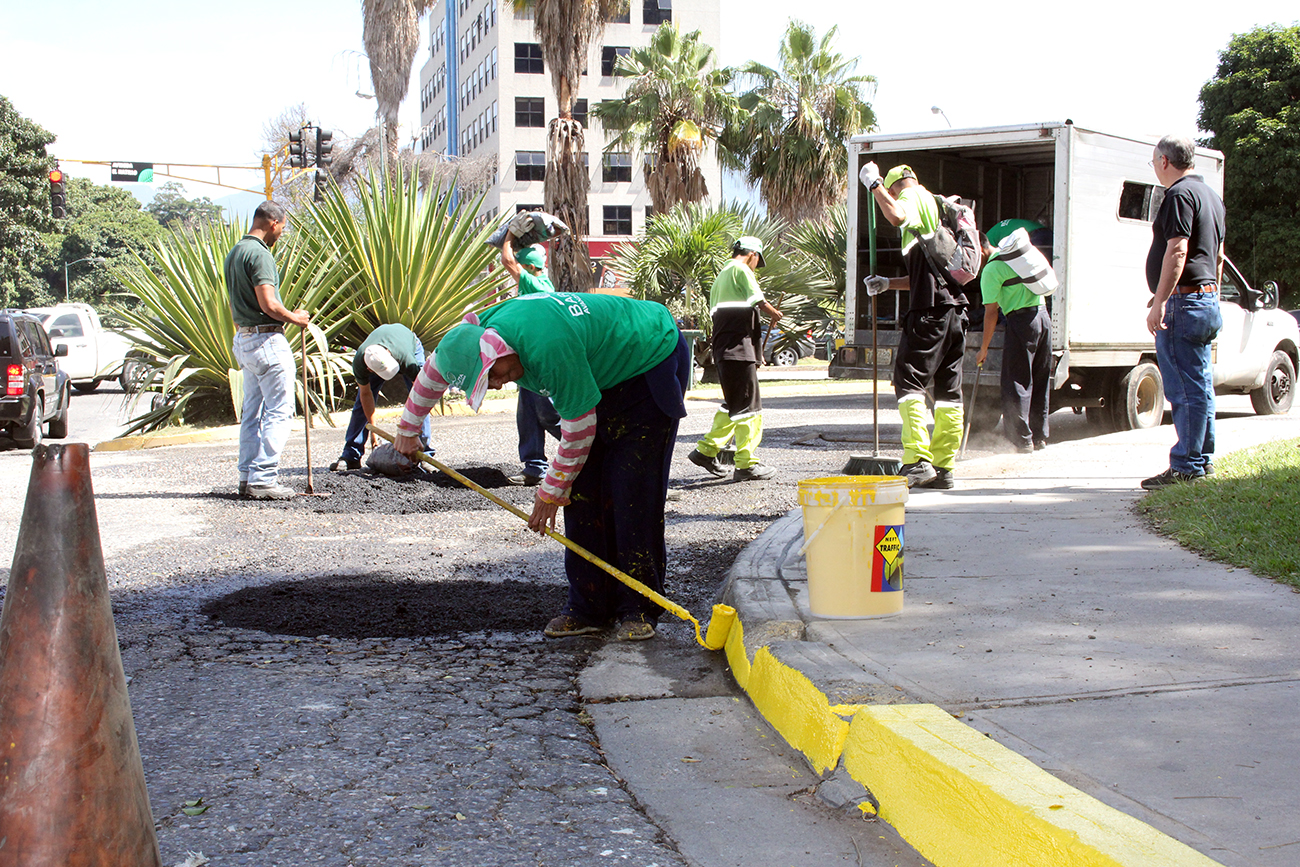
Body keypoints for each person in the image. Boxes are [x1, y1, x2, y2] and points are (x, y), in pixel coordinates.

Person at [393, 292, 690, 642]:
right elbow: (433, 373)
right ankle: (588, 607)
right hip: (597, 369)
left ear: (498, 351)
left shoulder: (548, 346)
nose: (500, 384)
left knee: (632, 494)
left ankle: (639, 607)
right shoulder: (470, 336)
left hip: (648, 356)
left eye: (495, 375)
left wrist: (549, 491)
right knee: (580, 497)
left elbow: (579, 429)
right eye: (488, 384)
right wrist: (407, 430)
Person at [859, 163, 967, 489]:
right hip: (954, 312)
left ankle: (918, 460)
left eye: (889, 192)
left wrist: (873, 184)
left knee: (908, 382)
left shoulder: (913, 196)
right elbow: (924, 278)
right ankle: (944, 467)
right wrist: (887, 283)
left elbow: (895, 216)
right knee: (948, 392)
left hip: (929, 314)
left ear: (895, 188)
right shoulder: (933, 215)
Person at [1141, 135, 1225, 490]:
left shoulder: (1178, 195)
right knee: (1200, 385)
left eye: (1154, 163)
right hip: (1205, 299)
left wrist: (1161, 300)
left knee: (1184, 390)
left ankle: (1187, 466)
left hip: (1185, 302)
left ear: (1163, 161)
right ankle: (1201, 459)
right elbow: (1216, 257)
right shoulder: (1211, 196)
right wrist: (1210, 293)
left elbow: (1177, 250)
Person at [225, 200, 310, 501]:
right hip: (266, 341)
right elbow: (269, 305)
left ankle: (247, 475)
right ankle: (263, 477)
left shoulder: (235, 252)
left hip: (244, 341)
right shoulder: (260, 255)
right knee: (280, 410)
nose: (280, 236)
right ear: (273, 223)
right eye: (282, 229)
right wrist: (295, 317)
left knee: (252, 411)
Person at [686, 236, 782, 482]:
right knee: (750, 408)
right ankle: (746, 465)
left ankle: (706, 451)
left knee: (734, 405)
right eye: (757, 261)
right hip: (738, 351)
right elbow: (758, 301)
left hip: (727, 351)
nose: (755, 267)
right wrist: (774, 313)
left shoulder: (722, 277)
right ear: (753, 254)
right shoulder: (740, 269)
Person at [975, 232, 1053, 453]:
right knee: (1040, 379)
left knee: (1016, 381)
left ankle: (1022, 440)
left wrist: (983, 348)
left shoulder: (991, 270)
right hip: (1043, 317)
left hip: (1022, 322)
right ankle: (1039, 437)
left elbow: (991, 313)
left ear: (981, 250)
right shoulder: (1015, 257)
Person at [500, 238, 561, 486]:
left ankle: (590, 446)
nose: (518, 270)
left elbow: (506, 261)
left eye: (522, 265)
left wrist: (507, 238)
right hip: (528, 361)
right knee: (527, 415)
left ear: (531, 267)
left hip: (543, 361)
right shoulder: (533, 283)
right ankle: (535, 467)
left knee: (547, 414)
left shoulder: (538, 286)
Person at [330, 324, 431, 471]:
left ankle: (424, 454)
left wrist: (410, 432)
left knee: (419, 398)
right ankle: (351, 455)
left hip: (411, 344)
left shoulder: (407, 359)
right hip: (381, 353)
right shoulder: (360, 362)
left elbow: (422, 394)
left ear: (389, 354)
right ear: (369, 369)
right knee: (360, 404)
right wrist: (374, 433)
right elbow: (366, 395)